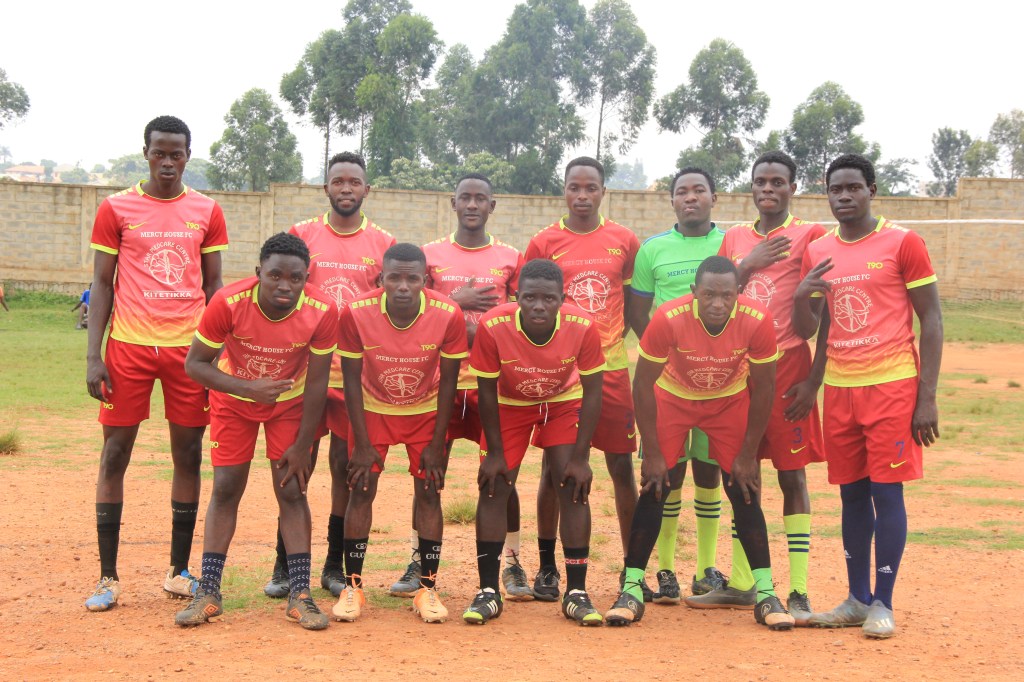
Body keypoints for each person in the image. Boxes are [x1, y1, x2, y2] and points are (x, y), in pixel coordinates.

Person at [794, 153, 942, 639]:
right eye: (835, 189)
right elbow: (814, 329)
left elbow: (932, 320)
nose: (843, 196)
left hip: (893, 387)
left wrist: (927, 397)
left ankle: (884, 602)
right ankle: (856, 598)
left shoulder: (903, 242)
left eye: (853, 187)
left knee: (886, 490)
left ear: (871, 190)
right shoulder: (819, 251)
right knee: (851, 494)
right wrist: (803, 298)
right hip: (839, 390)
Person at [84, 115, 228, 612]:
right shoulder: (116, 208)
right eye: (159, 153)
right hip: (127, 347)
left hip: (188, 353)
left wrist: (216, 355)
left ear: (188, 156)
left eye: (177, 154)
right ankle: (108, 577)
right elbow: (102, 285)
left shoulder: (207, 210)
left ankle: (178, 569)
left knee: (188, 455)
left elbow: (214, 289)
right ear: (145, 152)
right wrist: (94, 356)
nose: (168, 162)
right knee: (115, 455)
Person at [605, 256, 794, 631]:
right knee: (656, 485)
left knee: (744, 487)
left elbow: (765, 389)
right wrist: (654, 451)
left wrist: (748, 454)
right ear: (694, 292)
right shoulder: (669, 318)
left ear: (739, 293)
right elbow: (642, 384)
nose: (718, 303)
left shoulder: (756, 321)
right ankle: (631, 589)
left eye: (727, 295)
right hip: (673, 398)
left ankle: (767, 593)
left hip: (728, 401)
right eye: (709, 294)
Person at [174, 233, 335, 630]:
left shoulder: (322, 309)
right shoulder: (227, 302)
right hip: (234, 398)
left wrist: (302, 445)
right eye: (275, 275)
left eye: (296, 278)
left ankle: (300, 596)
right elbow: (195, 365)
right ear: (258, 272)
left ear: (306, 278)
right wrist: (249, 389)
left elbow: (317, 383)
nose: (285, 285)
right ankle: (208, 591)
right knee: (226, 488)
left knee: (292, 490)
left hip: (291, 404)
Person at [384, 174, 526, 599]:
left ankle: (512, 564)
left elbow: (523, 311)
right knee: (427, 476)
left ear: (492, 206)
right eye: (465, 197)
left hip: (491, 386)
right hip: (439, 384)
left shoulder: (509, 257)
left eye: (480, 198)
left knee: (501, 480)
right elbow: (412, 305)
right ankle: (418, 561)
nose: (472, 204)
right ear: (453, 202)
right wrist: (456, 305)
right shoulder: (427, 256)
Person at [261, 152, 396, 599]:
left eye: (354, 182)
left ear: (366, 190)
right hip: (304, 370)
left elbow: (387, 306)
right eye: (337, 181)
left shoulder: (384, 243)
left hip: (356, 375)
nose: (346, 188)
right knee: (299, 463)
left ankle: (334, 565)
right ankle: (285, 563)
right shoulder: (302, 235)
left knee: (347, 468)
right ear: (326, 188)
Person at [704, 151, 828, 622]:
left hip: (788, 364)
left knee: (792, 475)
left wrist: (813, 381)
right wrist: (748, 263)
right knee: (741, 473)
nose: (768, 188)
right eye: (761, 181)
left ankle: (797, 589)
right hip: (738, 370)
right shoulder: (735, 237)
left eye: (778, 181)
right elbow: (715, 292)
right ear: (751, 187)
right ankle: (743, 582)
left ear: (792, 188)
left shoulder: (811, 236)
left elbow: (818, 316)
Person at [524, 157, 644, 601]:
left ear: (602, 192)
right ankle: (548, 567)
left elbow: (631, 305)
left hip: (610, 370)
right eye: (574, 187)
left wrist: (605, 345)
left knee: (620, 470)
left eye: (590, 188)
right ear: (564, 191)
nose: (582, 195)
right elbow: (530, 303)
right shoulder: (544, 241)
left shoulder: (624, 240)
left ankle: (633, 572)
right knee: (555, 470)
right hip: (559, 376)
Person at [462, 258, 606, 626]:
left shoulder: (583, 326)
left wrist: (581, 456)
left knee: (572, 484)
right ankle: (488, 591)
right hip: (508, 404)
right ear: (516, 296)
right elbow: (487, 390)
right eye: (529, 298)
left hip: (561, 401)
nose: (538, 306)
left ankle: (576, 592)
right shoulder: (494, 326)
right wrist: (495, 453)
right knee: (493, 485)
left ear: (563, 298)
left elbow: (593, 392)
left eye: (548, 299)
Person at [332, 243, 467, 624]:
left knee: (429, 490)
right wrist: (360, 442)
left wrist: (439, 443)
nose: (404, 286)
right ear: (382, 279)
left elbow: (449, 385)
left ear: (426, 280)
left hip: (425, 411)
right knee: (361, 488)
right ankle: (353, 586)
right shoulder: (356, 312)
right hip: (372, 409)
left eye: (412, 278)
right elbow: (352, 382)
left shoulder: (448, 313)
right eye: (395, 277)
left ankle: (427, 588)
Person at [626, 167, 738, 605]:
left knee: (710, 471)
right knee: (667, 472)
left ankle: (705, 566)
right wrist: (668, 357)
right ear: (671, 201)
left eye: (699, 191)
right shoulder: (653, 249)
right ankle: (666, 567)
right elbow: (638, 313)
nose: (690, 198)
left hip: (720, 382)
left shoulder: (728, 244)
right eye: (681, 192)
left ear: (714, 197)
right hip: (668, 382)